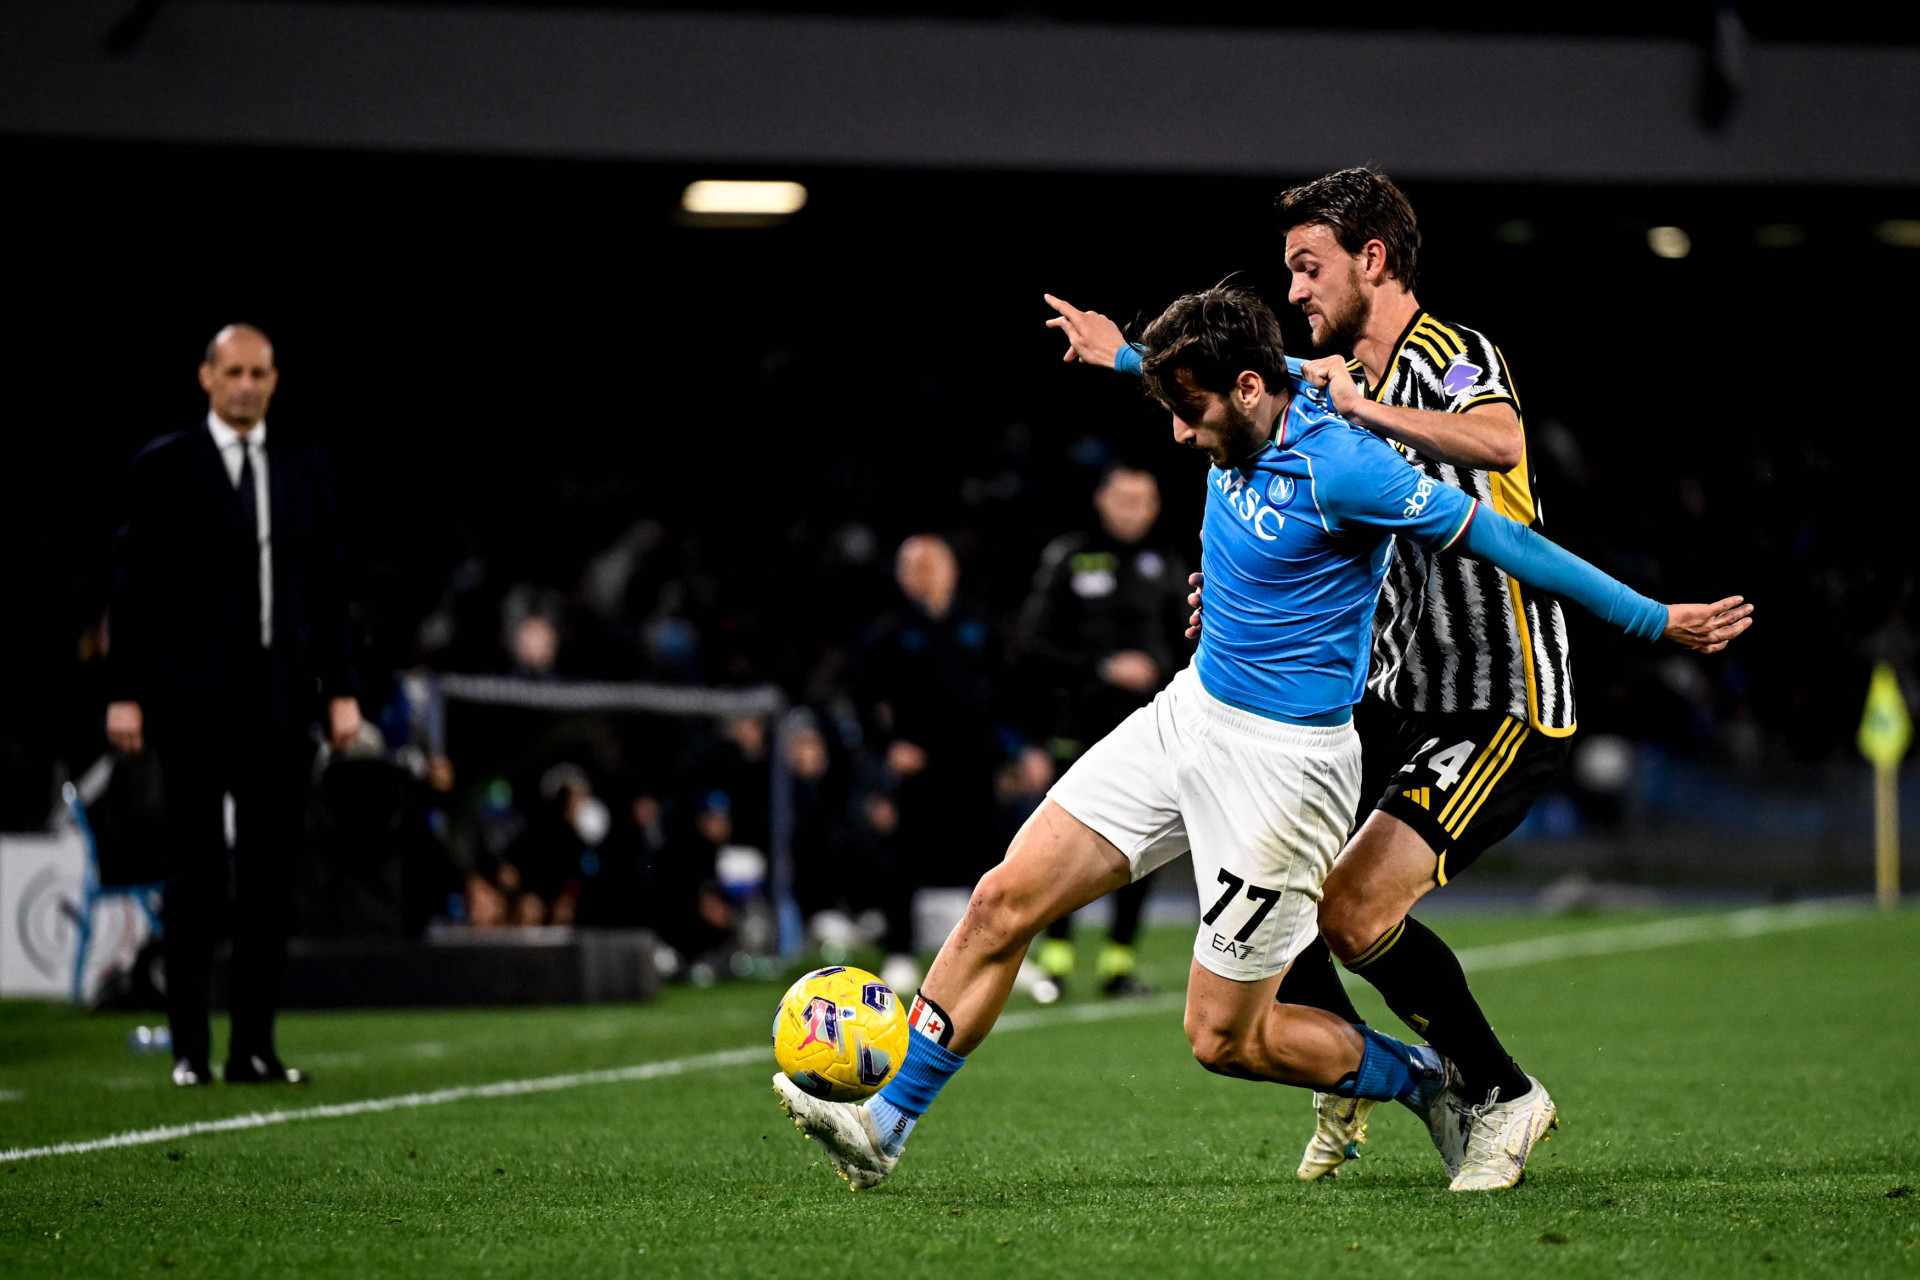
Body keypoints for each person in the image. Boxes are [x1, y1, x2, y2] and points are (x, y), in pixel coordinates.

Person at [772, 285, 1751, 1192]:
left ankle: (1420, 1078)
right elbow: (1178, 371)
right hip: (1188, 714)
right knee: (1001, 899)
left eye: (1189, 409)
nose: (1177, 431)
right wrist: (1121, 356)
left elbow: (1515, 544)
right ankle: (885, 1125)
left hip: (1284, 775)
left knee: (1223, 1039)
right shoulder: (1231, 405)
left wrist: (1655, 620)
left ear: (1250, 387)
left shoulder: (1348, 464)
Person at [1048, 168, 1712, 1187]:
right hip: (1398, 693)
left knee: (1353, 909)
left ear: (1374, 259)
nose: (1298, 290)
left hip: (1501, 697)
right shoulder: (1324, 380)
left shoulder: (1448, 357)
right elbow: (1243, 393)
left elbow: (1501, 440)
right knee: (1280, 881)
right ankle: (1348, 1070)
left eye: (1309, 268)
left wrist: (1651, 615)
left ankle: (1498, 1093)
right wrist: (1123, 356)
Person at [107, 324, 362, 1087]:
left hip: (279, 701)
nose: (247, 384)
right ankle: (190, 1049)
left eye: (260, 372)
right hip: (192, 703)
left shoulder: (300, 465)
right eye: (234, 371)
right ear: (207, 378)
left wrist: (342, 690)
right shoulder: (164, 466)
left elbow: (327, 587)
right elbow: (133, 587)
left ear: (276, 380)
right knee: (199, 874)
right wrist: (124, 690)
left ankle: (253, 1049)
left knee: (269, 880)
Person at [1017, 463, 1189, 999]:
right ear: (1101, 500)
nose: (1133, 509)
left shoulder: (1170, 565)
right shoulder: (1068, 558)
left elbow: (1192, 650)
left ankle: (1119, 966)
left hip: (1150, 731)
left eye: (1143, 500)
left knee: (1145, 848)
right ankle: (1054, 964)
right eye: (1123, 498)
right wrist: (1101, 667)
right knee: (1060, 850)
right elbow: (1031, 645)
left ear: (1156, 506)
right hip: (1078, 730)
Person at [851, 535, 1003, 995]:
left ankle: (996, 953)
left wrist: (1015, 751)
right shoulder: (889, 632)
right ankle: (900, 951)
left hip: (975, 763)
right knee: (905, 857)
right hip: (919, 768)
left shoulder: (978, 624)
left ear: (952, 568)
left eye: (933, 564)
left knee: (989, 860)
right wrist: (886, 746)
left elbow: (1006, 690)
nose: (925, 575)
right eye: (914, 567)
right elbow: (860, 698)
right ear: (901, 576)